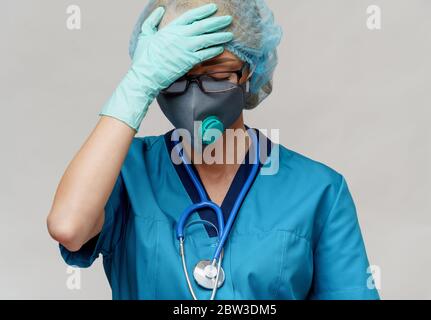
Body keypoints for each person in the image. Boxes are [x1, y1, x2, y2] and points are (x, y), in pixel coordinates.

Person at [47, 0, 380, 300]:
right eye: (175, 76)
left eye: (217, 74)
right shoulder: (126, 172)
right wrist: (139, 83)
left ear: (249, 70)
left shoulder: (319, 191)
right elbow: (68, 227)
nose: (194, 97)